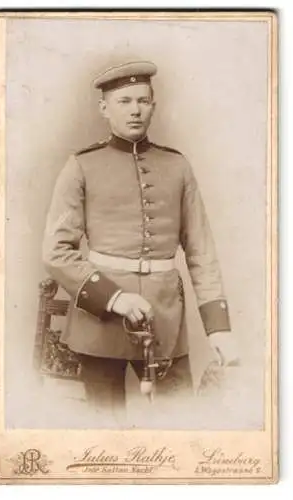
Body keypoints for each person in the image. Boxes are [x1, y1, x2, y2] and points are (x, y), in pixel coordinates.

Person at [43, 60, 238, 422]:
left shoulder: (177, 166)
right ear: (104, 108)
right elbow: (56, 252)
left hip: (165, 320)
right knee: (103, 435)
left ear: (153, 105)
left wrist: (219, 327)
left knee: (180, 427)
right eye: (124, 101)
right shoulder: (82, 165)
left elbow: (201, 251)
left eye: (143, 100)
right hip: (99, 323)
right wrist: (114, 298)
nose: (135, 109)